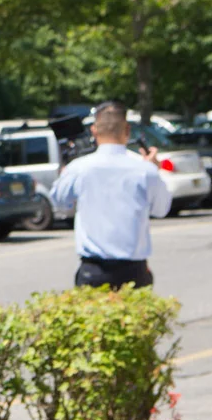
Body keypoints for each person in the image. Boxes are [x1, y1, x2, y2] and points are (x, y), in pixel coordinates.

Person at [47, 102, 172, 289]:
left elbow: (59, 203)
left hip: (93, 270)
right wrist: (155, 169)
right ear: (127, 129)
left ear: (94, 130)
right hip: (134, 271)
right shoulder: (145, 170)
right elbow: (161, 210)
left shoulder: (79, 168)